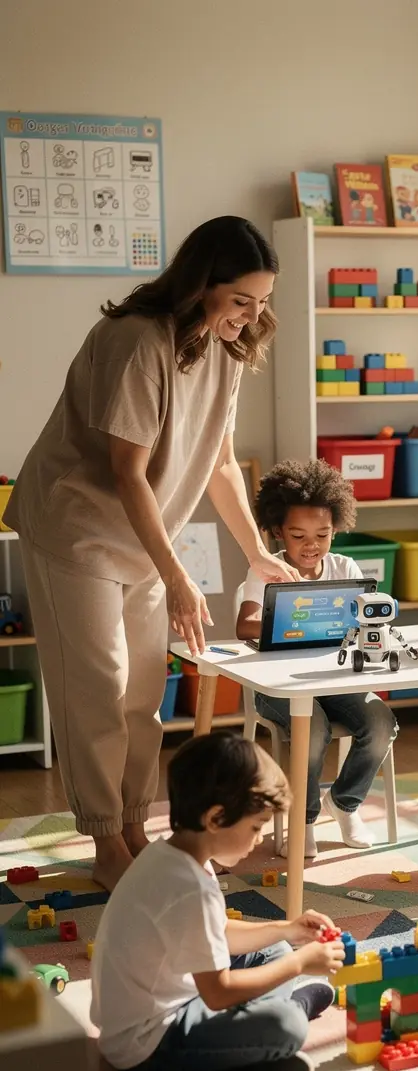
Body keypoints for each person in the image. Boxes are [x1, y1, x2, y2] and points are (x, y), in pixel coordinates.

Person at [4, 217, 299, 890]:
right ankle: (107, 838)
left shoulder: (225, 348)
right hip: (76, 527)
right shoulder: (137, 341)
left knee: (144, 689)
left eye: (263, 301)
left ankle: (137, 824)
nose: (254, 316)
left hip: (141, 536)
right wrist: (179, 574)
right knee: (98, 689)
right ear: (202, 285)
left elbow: (221, 463)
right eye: (242, 300)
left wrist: (255, 550)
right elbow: (127, 472)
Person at [90, 732, 345, 1071]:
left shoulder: (175, 855)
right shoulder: (187, 888)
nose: (259, 839)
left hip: (175, 997)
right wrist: (300, 965)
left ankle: (236, 1056)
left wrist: (287, 928)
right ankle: (283, 1019)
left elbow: (217, 934)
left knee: (275, 951)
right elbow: (219, 992)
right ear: (216, 818)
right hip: (148, 1044)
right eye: (256, 827)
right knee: (285, 1024)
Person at [236, 459, 398, 856]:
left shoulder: (344, 567)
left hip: (336, 680)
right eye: (298, 535)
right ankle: (303, 819)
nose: (312, 545)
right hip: (279, 686)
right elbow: (245, 626)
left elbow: (366, 617)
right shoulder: (267, 570)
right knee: (314, 730)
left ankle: (343, 803)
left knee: (381, 722)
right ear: (277, 532)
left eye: (323, 534)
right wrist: (296, 627)